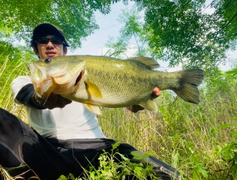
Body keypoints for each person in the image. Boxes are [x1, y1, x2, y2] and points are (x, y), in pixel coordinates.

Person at [0, 23, 181, 179]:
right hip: (46, 152)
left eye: (56, 41)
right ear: (35, 49)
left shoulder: (83, 74)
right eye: (43, 41)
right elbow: (33, 97)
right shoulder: (24, 80)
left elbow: (126, 101)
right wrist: (46, 98)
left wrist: (138, 102)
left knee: (161, 173)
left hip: (96, 148)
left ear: (65, 51)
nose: (49, 44)